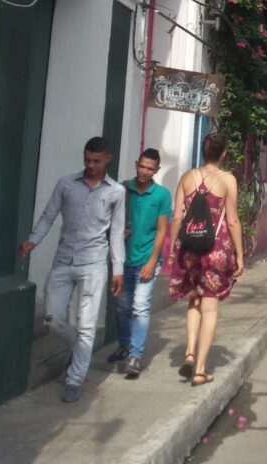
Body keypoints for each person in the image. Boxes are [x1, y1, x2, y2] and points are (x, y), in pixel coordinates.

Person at [16, 137, 125, 403]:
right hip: (63, 261)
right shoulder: (66, 184)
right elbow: (48, 215)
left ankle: (74, 379)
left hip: (94, 265)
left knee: (87, 326)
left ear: (107, 159)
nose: (90, 165)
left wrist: (118, 269)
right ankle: (79, 350)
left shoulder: (116, 192)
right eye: (87, 159)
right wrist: (33, 239)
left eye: (96, 161)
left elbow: (117, 231)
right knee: (53, 318)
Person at [168, 133, 244, 387]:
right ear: (223, 153)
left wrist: (172, 248)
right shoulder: (227, 180)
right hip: (215, 249)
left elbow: (177, 217)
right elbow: (232, 220)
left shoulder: (187, 177)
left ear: (202, 151)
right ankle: (200, 369)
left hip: (189, 248)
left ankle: (189, 352)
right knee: (210, 306)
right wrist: (240, 254)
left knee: (194, 299)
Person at [107, 148, 171, 379]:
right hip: (122, 260)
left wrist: (153, 261)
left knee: (140, 307)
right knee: (122, 307)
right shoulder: (122, 189)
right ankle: (124, 345)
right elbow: (109, 220)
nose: (144, 171)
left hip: (147, 259)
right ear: (136, 164)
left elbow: (163, 229)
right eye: (142, 166)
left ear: (157, 170)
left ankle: (135, 355)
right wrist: (116, 230)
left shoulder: (162, 195)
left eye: (150, 168)